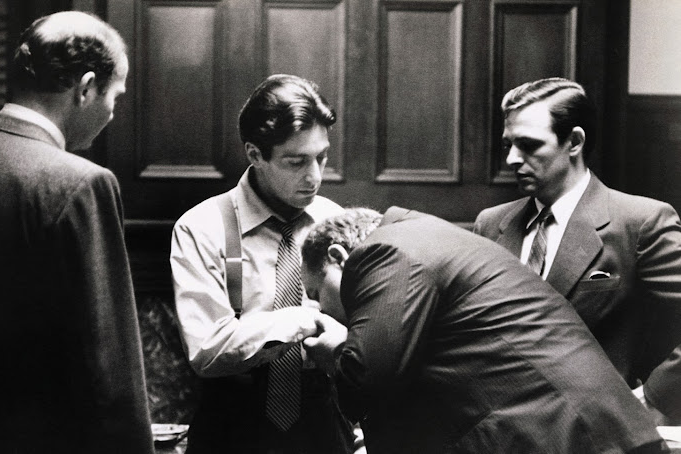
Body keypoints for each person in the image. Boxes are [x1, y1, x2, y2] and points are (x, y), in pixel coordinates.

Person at [0, 11, 153, 454]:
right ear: (86, 87)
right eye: (116, 96)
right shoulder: (82, 183)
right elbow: (109, 364)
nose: (112, 112)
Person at [300, 207, 667, 454]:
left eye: (317, 293)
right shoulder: (431, 238)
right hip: (590, 433)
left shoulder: (386, 250)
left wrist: (335, 350)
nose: (319, 307)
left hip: (565, 437)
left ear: (337, 257)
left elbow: (367, 382)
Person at [473, 77, 681, 423]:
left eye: (528, 145)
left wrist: (650, 399)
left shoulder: (640, 222)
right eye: (508, 144)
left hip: (596, 433)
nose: (511, 158)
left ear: (574, 141)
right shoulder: (491, 224)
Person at [170, 74, 354, 453]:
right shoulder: (201, 227)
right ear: (255, 154)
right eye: (296, 162)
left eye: (321, 157)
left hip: (323, 423)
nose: (315, 176)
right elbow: (208, 351)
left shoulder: (336, 221)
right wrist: (301, 319)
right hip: (233, 427)